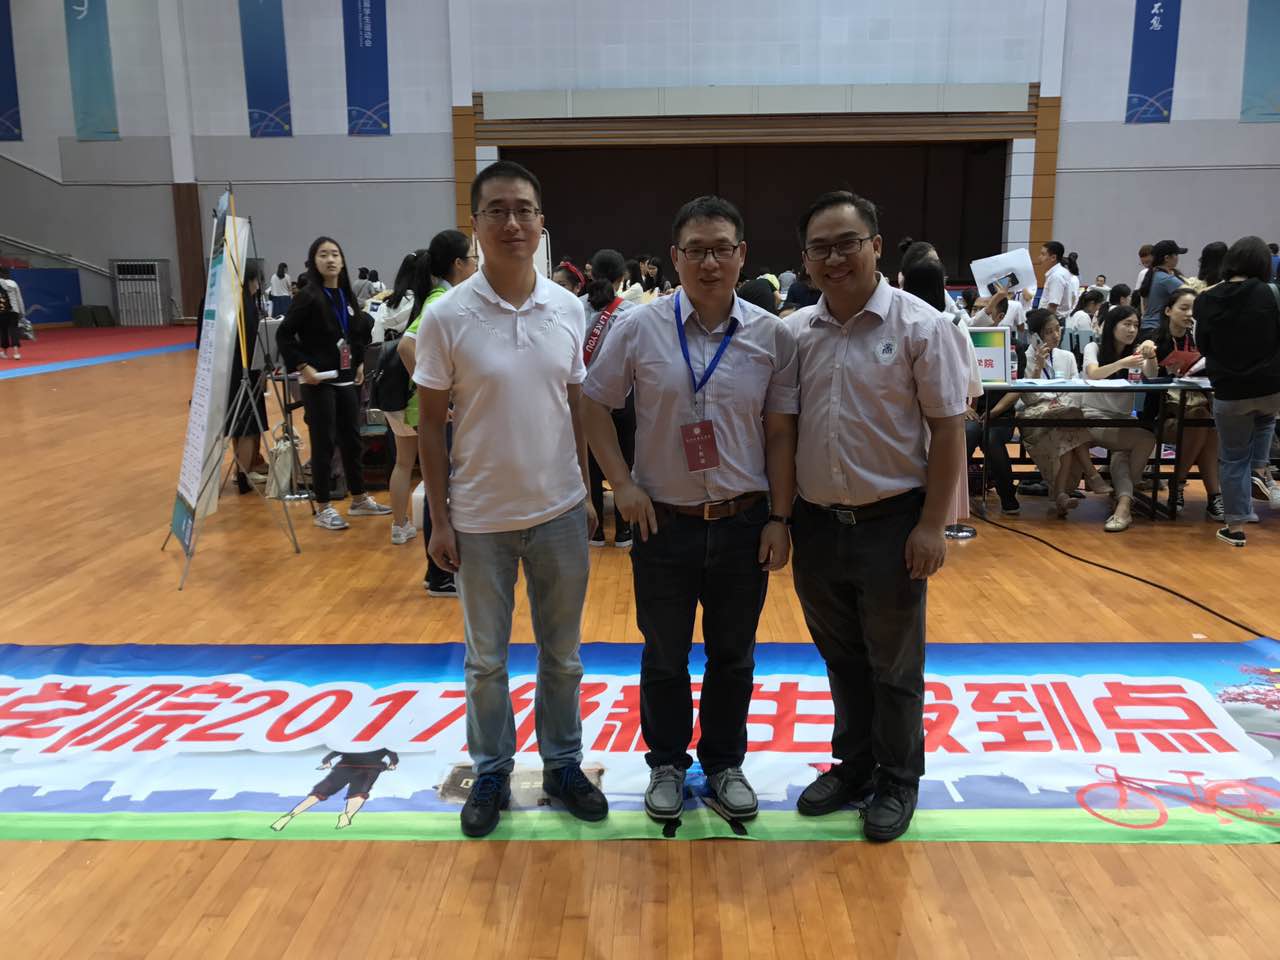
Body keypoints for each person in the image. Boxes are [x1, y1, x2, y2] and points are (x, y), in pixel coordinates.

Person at [581, 195, 799, 824]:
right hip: (664, 523)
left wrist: (780, 518)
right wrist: (621, 485)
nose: (710, 263)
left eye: (721, 249)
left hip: (743, 522)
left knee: (734, 657)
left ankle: (725, 763)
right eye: (696, 251)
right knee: (664, 655)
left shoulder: (771, 335)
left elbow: (780, 434)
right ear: (674, 257)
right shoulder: (639, 327)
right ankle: (668, 764)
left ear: (742, 255)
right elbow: (592, 404)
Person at [413, 160, 606, 837]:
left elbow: (575, 405)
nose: (512, 222)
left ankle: (563, 765)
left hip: (559, 512)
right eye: (496, 210)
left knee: (563, 656)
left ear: (541, 222)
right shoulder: (447, 316)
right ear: (476, 224)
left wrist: (586, 491)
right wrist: (439, 520)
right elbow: (429, 427)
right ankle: (492, 769)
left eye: (523, 209)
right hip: (479, 519)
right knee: (486, 662)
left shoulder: (568, 308)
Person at [784, 191, 966, 842]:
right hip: (816, 523)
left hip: (893, 523)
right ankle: (855, 766)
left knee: (894, 665)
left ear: (877, 247)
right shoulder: (794, 333)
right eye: (820, 248)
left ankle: (898, 778)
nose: (834, 258)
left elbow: (949, 430)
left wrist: (932, 526)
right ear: (806, 259)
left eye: (847, 243)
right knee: (842, 658)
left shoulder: (921, 327)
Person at [278, 236, 391, 530]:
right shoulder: (308, 296)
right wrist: (303, 366)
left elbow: (357, 333)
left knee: (352, 441)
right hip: (319, 382)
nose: (330, 260)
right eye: (323, 254)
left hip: (346, 380)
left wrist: (360, 362)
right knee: (324, 443)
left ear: (342, 260)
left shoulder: (345, 295)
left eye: (335, 254)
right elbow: (284, 335)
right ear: (314, 261)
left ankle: (359, 499)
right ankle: (324, 507)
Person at [397, 230, 478, 579]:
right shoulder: (440, 302)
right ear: (458, 264)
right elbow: (406, 346)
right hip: (434, 413)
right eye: (472, 259)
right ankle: (438, 574)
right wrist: (434, 392)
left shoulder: (447, 297)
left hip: (439, 410)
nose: (476, 265)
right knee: (438, 487)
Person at [1195, 236, 1280, 547]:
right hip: (1271, 385)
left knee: (1232, 458)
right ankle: (1259, 467)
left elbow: (1203, 346)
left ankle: (1235, 528)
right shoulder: (1272, 293)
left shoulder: (1206, 299)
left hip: (1229, 390)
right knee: (1266, 418)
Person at [1001, 309, 1100, 518]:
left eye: (1058, 329)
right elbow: (1029, 399)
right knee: (1069, 421)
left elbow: (1076, 391)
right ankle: (1091, 474)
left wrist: (1061, 403)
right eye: (1049, 332)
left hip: (1064, 413)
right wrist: (1037, 368)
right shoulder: (1024, 358)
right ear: (1036, 337)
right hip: (1034, 417)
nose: (1056, 335)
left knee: (1066, 427)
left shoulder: (1067, 357)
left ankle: (1061, 495)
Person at [1081, 305, 1159, 533]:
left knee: (1122, 455)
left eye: (1136, 325)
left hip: (1123, 421)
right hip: (1093, 418)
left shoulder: (1135, 352)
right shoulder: (1094, 347)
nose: (1132, 329)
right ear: (1112, 326)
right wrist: (1122, 363)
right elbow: (1093, 373)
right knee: (1145, 439)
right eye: (1126, 324)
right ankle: (1124, 501)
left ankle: (1123, 503)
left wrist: (1151, 354)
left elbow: (1152, 374)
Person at [580, 248, 638, 548]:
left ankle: (597, 530)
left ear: (591, 273)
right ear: (622, 277)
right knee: (624, 460)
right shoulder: (631, 313)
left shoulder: (574, 307)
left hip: (584, 398)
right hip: (622, 399)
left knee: (590, 461)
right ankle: (625, 529)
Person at [1152, 286, 1222, 521]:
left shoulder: (1200, 339)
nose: (1189, 314)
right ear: (1168, 311)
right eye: (1183, 308)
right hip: (1164, 414)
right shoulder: (1155, 339)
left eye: (1193, 309)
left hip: (1198, 407)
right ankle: (1211, 495)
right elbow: (1148, 377)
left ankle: (1181, 485)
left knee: (1206, 424)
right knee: (1204, 423)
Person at [271, 748, 399, 832]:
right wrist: (392, 765)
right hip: (370, 768)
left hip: (345, 767)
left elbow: (333, 753)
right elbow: (393, 757)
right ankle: (347, 816)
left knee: (319, 792)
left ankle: (289, 816)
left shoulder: (350, 741)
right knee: (359, 794)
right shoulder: (382, 742)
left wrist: (327, 762)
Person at [226, 262, 269, 494]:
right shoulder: (247, 305)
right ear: (254, 280)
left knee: (239, 423)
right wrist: (262, 370)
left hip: (231, 371)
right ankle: (245, 473)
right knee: (247, 425)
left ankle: (241, 471)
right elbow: (253, 343)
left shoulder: (233, 302)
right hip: (246, 371)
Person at [1139, 239, 1188, 337]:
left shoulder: (1153, 275)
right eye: (1176, 254)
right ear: (1167, 258)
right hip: (1158, 329)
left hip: (1147, 327)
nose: (1177, 258)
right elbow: (1191, 294)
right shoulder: (1166, 279)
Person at [1038, 241, 1074, 320]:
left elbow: (1052, 306)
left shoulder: (1056, 276)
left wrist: (1042, 323)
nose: (1039, 257)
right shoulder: (1060, 272)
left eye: (1043, 254)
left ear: (1053, 258)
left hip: (1053, 320)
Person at [0, 267, 24, 360]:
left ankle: (4, 353)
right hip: (14, 311)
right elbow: (19, 298)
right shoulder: (14, 283)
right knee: (14, 330)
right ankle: (16, 353)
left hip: (2, 312)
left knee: (3, 331)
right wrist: (22, 312)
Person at [1134, 243, 1154, 313]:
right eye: (1143, 263)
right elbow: (1137, 296)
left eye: (1148, 262)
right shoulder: (1143, 273)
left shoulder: (1145, 272)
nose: (1146, 266)